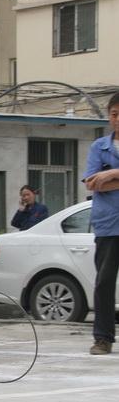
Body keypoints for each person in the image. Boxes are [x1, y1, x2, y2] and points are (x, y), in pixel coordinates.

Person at [83, 91, 119, 355]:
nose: (117, 119)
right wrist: (102, 179)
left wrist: (112, 174)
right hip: (108, 224)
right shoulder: (99, 147)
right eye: (114, 114)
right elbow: (92, 183)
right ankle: (103, 338)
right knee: (104, 282)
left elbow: (104, 180)